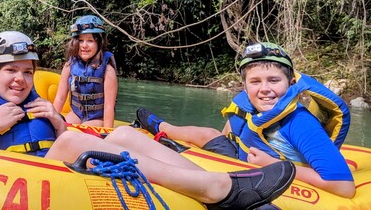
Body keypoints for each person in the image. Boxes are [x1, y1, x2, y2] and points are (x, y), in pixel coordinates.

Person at [0, 31, 296, 210]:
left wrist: (60, 125)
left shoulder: (38, 103)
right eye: (10, 71)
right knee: (71, 143)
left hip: (58, 167)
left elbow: (63, 137)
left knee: (127, 131)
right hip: (23, 180)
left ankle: (222, 189)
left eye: (27, 73)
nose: (20, 80)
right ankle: (219, 190)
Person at [136, 42, 355, 198]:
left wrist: (272, 164)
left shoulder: (300, 123)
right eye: (255, 81)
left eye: (274, 80)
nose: (265, 89)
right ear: (245, 86)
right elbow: (233, 135)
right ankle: (159, 125)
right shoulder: (250, 107)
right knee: (209, 135)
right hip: (241, 155)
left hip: (266, 165)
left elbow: (344, 186)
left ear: (291, 83)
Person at [53, 15, 118, 127]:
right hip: (76, 114)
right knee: (59, 127)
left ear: (99, 43)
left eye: (90, 41)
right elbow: (60, 97)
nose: (84, 45)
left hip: (97, 118)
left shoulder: (108, 70)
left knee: (85, 132)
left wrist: (107, 134)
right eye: (81, 40)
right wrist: (50, 122)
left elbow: (108, 106)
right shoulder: (69, 65)